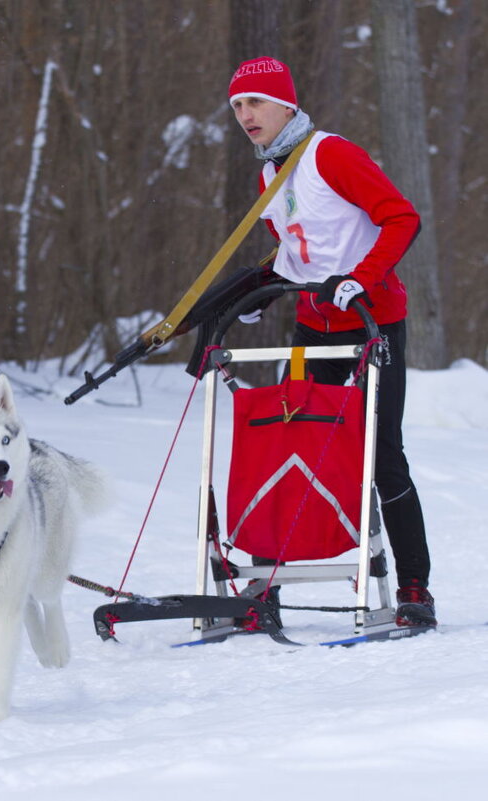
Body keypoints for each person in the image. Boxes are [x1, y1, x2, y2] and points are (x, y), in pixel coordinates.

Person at [227, 56, 435, 627]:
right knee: (284, 444)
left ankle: (415, 587)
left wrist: (360, 279)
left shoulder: (330, 154)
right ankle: (266, 582)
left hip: (372, 324)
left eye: (256, 102)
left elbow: (402, 218)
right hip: (312, 328)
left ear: (286, 105)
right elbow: (298, 248)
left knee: (381, 456)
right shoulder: (269, 174)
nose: (246, 115)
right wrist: (262, 290)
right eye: (238, 105)